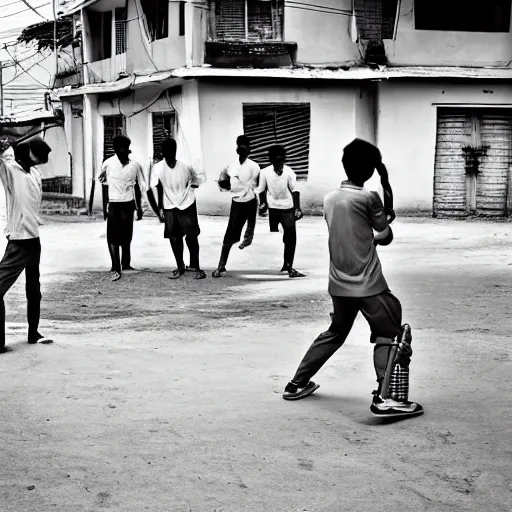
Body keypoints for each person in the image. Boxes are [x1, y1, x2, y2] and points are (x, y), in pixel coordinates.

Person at [282, 139, 423, 418]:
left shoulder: (330, 198)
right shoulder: (370, 198)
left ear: (345, 165)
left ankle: (296, 384)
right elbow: (384, 237)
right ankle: (385, 398)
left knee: (335, 332)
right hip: (369, 283)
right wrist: (384, 220)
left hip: (338, 282)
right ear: (370, 171)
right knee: (390, 334)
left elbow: (349, 230)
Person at [0, 136, 54, 353]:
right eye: (37, 156)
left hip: (33, 239)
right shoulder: (10, 170)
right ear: (24, 154)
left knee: (34, 290)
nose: (41, 160)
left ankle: (34, 333)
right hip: (20, 240)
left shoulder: (34, 173)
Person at [147, 138, 207, 280]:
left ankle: (195, 266)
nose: (169, 152)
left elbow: (196, 181)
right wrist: (160, 208)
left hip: (187, 203)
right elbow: (156, 187)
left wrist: (189, 189)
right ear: (162, 152)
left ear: (175, 150)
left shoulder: (185, 166)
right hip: (170, 206)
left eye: (172, 149)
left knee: (192, 236)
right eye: (166, 150)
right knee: (175, 237)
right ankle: (180, 266)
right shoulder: (158, 168)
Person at [98, 135, 147, 282]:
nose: (124, 151)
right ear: (115, 149)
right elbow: (104, 185)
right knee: (112, 236)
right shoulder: (107, 164)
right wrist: (105, 206)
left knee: (127, 235)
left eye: (126, 148)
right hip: (113, 203)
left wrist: (139, 208)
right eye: (121, 148)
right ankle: (115, 266)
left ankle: (126, 263)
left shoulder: (135, 165)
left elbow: (139, 187)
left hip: (128, 203)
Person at [212, 135, 260, 278]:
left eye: (245, 146)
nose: (242, 149)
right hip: (237, 203)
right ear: (237, 148)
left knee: (249, 232)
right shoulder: (230, 168)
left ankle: (246, 238)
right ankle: (221, 265)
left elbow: (259, 186)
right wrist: (225, 184)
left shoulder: (254, 167)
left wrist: (263, 203)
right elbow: (223, 184)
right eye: (240, 146)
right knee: (229, 235)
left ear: (249, 149)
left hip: (251, 202)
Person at [258, 144, 305, 278]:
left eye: (281, 160)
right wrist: (262, 204)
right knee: (284, 236)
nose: (279, 164)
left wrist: (297, 208)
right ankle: (287, 264)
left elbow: (295, 190)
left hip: (288, 207)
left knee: (290, 237)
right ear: (271, 160)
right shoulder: (264, 172)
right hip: (273, 208)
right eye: (276, 160)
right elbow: (261, 189)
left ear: (284, 160)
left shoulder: (289, 172)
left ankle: (288, 264)